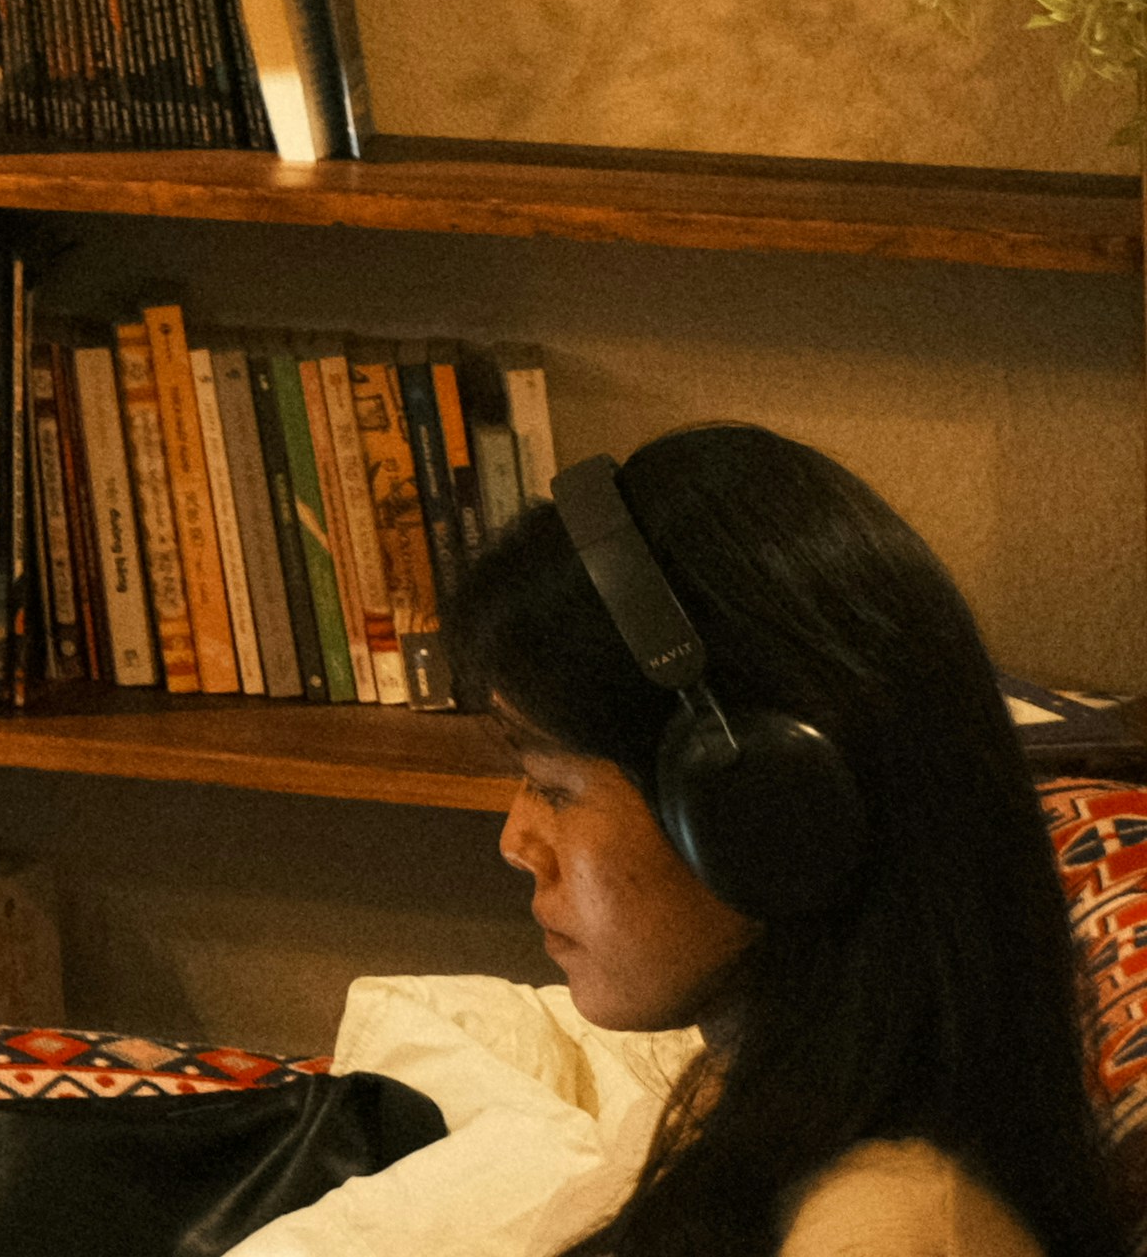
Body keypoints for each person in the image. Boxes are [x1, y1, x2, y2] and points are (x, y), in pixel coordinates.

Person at [242, 423, 1130, 1257]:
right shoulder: (766, 1088)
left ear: (764, 813)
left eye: (554, 788)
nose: (517, 840)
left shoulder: (881, 1230)